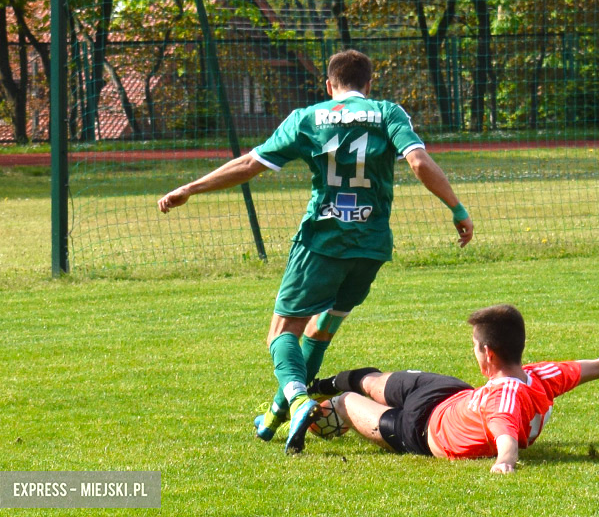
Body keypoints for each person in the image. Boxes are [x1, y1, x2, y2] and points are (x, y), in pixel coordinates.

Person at [157, 49, 473, 454]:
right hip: (371, 246)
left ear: (329, 85)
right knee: (320, 330)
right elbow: (418, 162)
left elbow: (250, 164)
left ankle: (299, 398)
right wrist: (457, 208)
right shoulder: (388, 112)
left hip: (322, 243)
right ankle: (276, 413)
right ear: (369, 84)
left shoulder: (307, 118)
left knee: (281, 332)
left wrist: (189, 188)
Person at [309, 277, 599, 472]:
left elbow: (507, 441)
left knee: (348, 402)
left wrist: (505, 464)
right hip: (448, 393)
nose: (473, 352)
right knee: (369, 381)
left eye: (474, 347)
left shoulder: (505, 399)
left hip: (420, 430)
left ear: (488, 353)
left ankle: (324, 401)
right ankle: (318, 385)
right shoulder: (542, 375)